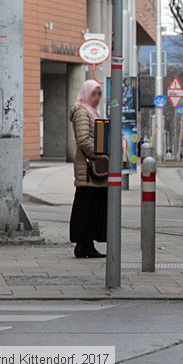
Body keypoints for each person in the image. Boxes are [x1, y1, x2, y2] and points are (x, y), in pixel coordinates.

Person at [69, 79, 107, 259]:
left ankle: (87, 244)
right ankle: (83, 245)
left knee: (92, 207)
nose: (97, 97)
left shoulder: (92, 112)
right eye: (93, 93)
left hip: (92, 168)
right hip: (88, 168)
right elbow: (83, 140)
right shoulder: (82, 112)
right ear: (86, 94)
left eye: (99, 93)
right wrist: (100, 156)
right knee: (86, 207)